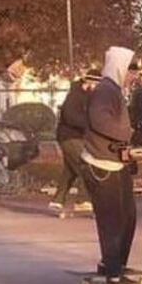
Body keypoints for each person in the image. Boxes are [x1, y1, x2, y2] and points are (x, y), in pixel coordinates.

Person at [79, 47, 142, 284]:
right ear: (119, 67)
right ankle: (113, 271)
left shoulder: (115, 91)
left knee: (128, 215)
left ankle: (114, 262)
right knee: (112, 219)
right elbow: (99, 121)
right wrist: (127, 134)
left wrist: (130, 150)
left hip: (115, 163)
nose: (134, 75)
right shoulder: (105, 91)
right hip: (100, 165)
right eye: (131, 70)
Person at [50, 71, 96, 217]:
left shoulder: (87, 96)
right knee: (85, 165)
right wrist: (89, 125)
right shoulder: (74, 96)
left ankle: (57, 201)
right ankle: (84, 200)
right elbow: (70, 117)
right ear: (88, 82)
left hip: (77, 136)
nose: (97, 88)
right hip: (69, 137)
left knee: (70, 170)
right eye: (96, 84)